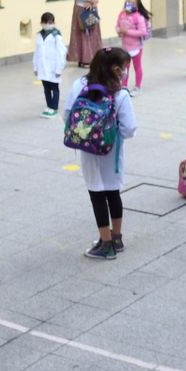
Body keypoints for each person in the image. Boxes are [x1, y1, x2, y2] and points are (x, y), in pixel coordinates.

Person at [65, 48, 138, 260]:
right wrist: (114, 136)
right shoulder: (120, 93)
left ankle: (104, 243)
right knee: (113, 192)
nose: (125, 72)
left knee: (96, 194)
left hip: (88, 152)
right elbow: (130, 128)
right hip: (112, 153)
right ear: (116, 69)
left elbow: (68, 115)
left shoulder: (80, 85)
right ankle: (116, 238)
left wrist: (86, 134)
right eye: (124, 68)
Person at [34, 12, 68, 117]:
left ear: (53, 22)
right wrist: (35, 67)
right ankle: (49, 106)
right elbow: (37, 52)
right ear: (41, 23)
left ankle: (54, 107)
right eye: (45, 22)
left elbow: (62, 52)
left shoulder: (56, 35)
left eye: (50, 22)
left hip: (54, 67)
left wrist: (59, 69)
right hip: (43, 67)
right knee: (46, 88)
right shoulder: (39, 35)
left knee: (54, 88)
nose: (48, 24)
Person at [116, 0, 151, 93]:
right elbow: (117, 26)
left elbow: (142, 32)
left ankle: (138, 87)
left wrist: (127, 32)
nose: (130, 4)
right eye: (128, 1)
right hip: (124, 47)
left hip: (136, 48)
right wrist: (119, 31)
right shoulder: (122, 14)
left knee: (137, 67)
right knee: (124, 68)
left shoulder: (138, 17)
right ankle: (124, 86)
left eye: (133, 3)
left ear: (137, 6)